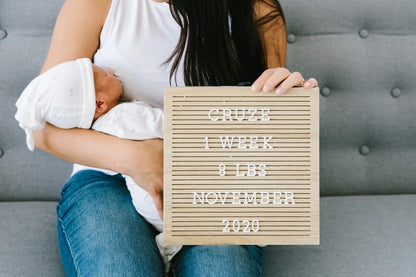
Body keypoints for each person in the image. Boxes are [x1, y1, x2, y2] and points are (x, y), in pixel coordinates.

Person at [34, 0, 318, 276]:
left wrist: (287, 97)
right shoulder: (96, 4)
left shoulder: (257, 9)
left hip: (213, 185)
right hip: (108, 179)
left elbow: (265, 133)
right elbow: (41, 127)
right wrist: (137, 159)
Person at [15, 58, 179, 269]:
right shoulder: (125, 116)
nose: (111, 71)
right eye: (105, 75)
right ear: (99, 104)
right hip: (157, 195)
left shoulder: (101, 127)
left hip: (148, 201)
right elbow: (168, 124)